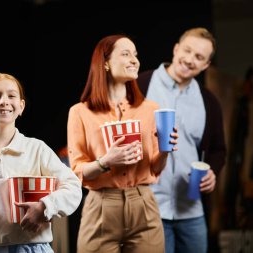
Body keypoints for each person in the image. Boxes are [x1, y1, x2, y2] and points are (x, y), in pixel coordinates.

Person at [67, 34, 178, 253]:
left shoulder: (151, 109)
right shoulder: (79, 112)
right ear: (105, 63)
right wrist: (106, 161)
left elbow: (155, 168)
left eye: (135, 55)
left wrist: (166, 151)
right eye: (126, 54)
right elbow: (77, 172)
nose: (135, 60)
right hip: (100, 207)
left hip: (144, 204)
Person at [0, 73, 82, 253]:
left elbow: (73, 187)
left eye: (11, 95)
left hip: (34, 248)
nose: (4, 101)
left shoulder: (37, 149)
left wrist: (45, 207)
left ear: (21, 106)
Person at [137, 27, 227, 253]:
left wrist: (212, 172)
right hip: (149, 207)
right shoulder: (140, 85)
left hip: (192, 210)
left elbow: (218, 149)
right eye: (187, 50)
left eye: (199, 57)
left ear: (206, 65)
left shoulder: (209, 101)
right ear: (176, 49)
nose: (189, 60)